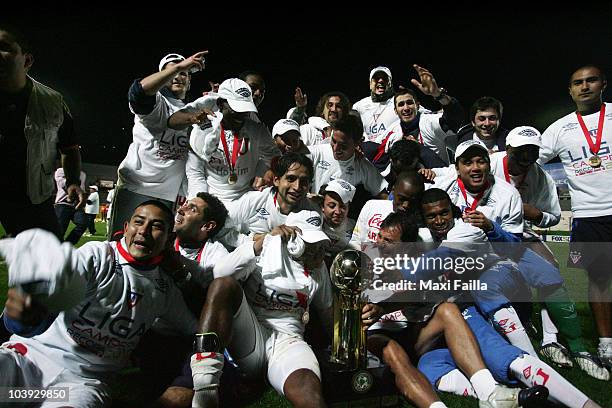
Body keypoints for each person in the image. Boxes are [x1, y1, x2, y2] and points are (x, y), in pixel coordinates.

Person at [430, 140, 608, 380]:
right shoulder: (443, 187)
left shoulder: (507, 193)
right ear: (458, 167)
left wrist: (491, 228)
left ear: (488, 165)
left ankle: (578, 348)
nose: (475, 167)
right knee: (482, 288)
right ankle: (528, 356)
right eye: (467, 162)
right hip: (455, 256)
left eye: (480, 161)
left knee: (549, 273)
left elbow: (514, 244)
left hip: (495, 254)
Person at [414, 189, 603, 408]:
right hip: (464, 305)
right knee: (429, 366)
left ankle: (581, 401)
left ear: (452, 211)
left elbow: (438, 260)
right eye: (431, 216)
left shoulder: (466, 228)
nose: (439, 220)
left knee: (500, 352)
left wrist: (398, 273)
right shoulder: (423, 238)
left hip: (498, 282)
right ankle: (503, 392)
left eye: (444, 213)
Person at [0, 201, 197, 407]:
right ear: (126, 227)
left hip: (81, 385)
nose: (144, 231)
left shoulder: (165, 290)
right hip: (28, 361)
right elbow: (51, 296)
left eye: (156, 226)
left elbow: (196, 331)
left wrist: (185, 381)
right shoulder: (96, 255)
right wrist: (24, 316)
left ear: (169, 239)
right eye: (138, 222)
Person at [187, 210, 380, 408]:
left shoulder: (319, 268)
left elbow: (328, 316)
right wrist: (261, 243)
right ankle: (205, 392)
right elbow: (220, 274)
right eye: (310, 244)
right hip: (252, 335)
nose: (318, 250)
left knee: (308, 389)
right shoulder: (263, 250)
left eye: (319, 244)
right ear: (294, 241)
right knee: (224, 286)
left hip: (289, 341)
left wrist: (354, 331)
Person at [367, 211, 547, 408]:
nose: (381, 244)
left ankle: (490, 392)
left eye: (390, 241)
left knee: (448, 310)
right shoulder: (366, 260)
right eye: (380, 236)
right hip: (380, 334)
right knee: (392, 350)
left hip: (414, 334)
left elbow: (416, 293)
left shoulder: (420, 264)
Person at [538, 65, 612, 368]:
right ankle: (606, 344)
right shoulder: (559, 129)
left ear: (603, 84)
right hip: (587, 214)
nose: (584, 87)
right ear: (570, 91)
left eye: (591, 80)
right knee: (599, 281)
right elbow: (529, 158)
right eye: (577, 83)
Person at [108, 50, 207, 238]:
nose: (178, 76)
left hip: (169, 194)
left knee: (158, 253)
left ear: (190, 81)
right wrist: (180, 66)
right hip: (137, 187)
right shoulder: (157, 103)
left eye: (184, 73)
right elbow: (138, 92)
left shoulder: (194, 109)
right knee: (120, 246)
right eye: (171, 72)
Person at [0, 24, 84, 238]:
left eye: (4, 47)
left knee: (47, 263)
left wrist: (73, 181)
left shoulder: (52, 101)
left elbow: (69, 147)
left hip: (31, 197)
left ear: (26, 61)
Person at [168, 78, 279, 202]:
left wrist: (268, 170)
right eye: (236, 109)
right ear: (220, 104)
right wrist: (200, 201)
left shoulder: (256, 128)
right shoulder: (204, 128)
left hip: (244, 198)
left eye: (245, 109)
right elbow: (195, 173)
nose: (241, 115)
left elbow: (274, 157)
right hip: (209, 196)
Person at [368, 65, 464, 169]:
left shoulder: (429, 123)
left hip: (438, 181)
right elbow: (372, 149)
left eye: (409, 103)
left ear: (417, 105)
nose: (406, 108)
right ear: (395, 111)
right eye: (401, 104)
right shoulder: (392, 132)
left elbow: (455, 118)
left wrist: (438, 94)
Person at [216, 153, 318, 248]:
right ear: (276, 180)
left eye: (304, 181)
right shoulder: (254, 199)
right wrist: (251, 240)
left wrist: (267, 238)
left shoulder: (313, 212)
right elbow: (219, 226)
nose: (297, 187)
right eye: (291, 179)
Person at [308, 114, 388, 219]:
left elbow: (385, 197)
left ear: (357, 143)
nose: (336, 149)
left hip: (338, 226)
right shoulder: (315, 152)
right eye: (334, 141)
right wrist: (306, 195)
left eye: (343, 146)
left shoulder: (363, 166)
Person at [350, 170, 429, 249]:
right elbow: (356, 240)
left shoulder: (421, 223)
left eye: (412, 201)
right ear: (393, 190)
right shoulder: (372, 206)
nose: (406, 205)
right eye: (402, 198)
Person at [353, 66, 399, 143]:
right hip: (366, 151)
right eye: (376, 78)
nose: (380, 81)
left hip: (391, 151)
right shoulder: (359, 106)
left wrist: (427, 94)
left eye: (384, 78)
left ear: (390, 83)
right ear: (370, 84)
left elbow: (424, 114)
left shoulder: (399, 101)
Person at [318, 179, 356, 266]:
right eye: (332, 206)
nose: (338, 212)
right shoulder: (314, 221)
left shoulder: (354, 227)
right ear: (322, 206)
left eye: (343, 207)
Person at [54, 168, 87, 241]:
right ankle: (56, 249)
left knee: (83, 223)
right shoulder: (61, 171)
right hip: (63, 204)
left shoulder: (82, 174)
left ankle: (67, 244)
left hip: (76, 204)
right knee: (60, 231)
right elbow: (63, 184)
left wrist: (83, 198)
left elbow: (82, 189)